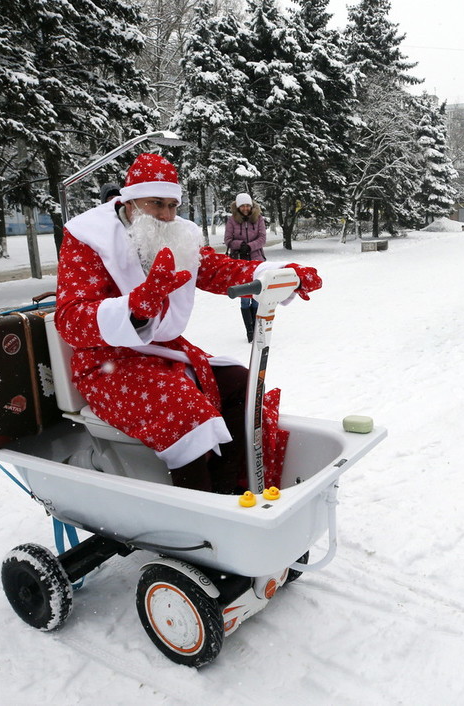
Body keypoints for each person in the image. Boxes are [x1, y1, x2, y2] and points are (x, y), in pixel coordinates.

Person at [55, 153, 321, 493]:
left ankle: (230, 489)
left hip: (164, 352)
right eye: (156, 204)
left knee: (240, 382)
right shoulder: (88, 238)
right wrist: (135, 308)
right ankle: (197, 516)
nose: (167, 216)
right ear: (131, 198)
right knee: (186, 412)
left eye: (172, 205)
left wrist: (273, 274)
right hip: (105, 362)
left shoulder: (179, 233)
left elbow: (213, 269)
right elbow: (69, 319)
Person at [224, 192, 268, 342]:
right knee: (244, 298)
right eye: (242, 205)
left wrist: (249, 246)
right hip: (240, 262)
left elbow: (262, 238)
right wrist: (239, 245)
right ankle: (249, 331)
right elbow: (228, 240)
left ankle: (256, 329)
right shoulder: (232, 221)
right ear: (238, 206)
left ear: (251, 205)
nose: (245, 208)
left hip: (256, 261)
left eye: (247, 205)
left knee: (256, 296)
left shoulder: (258, 219)